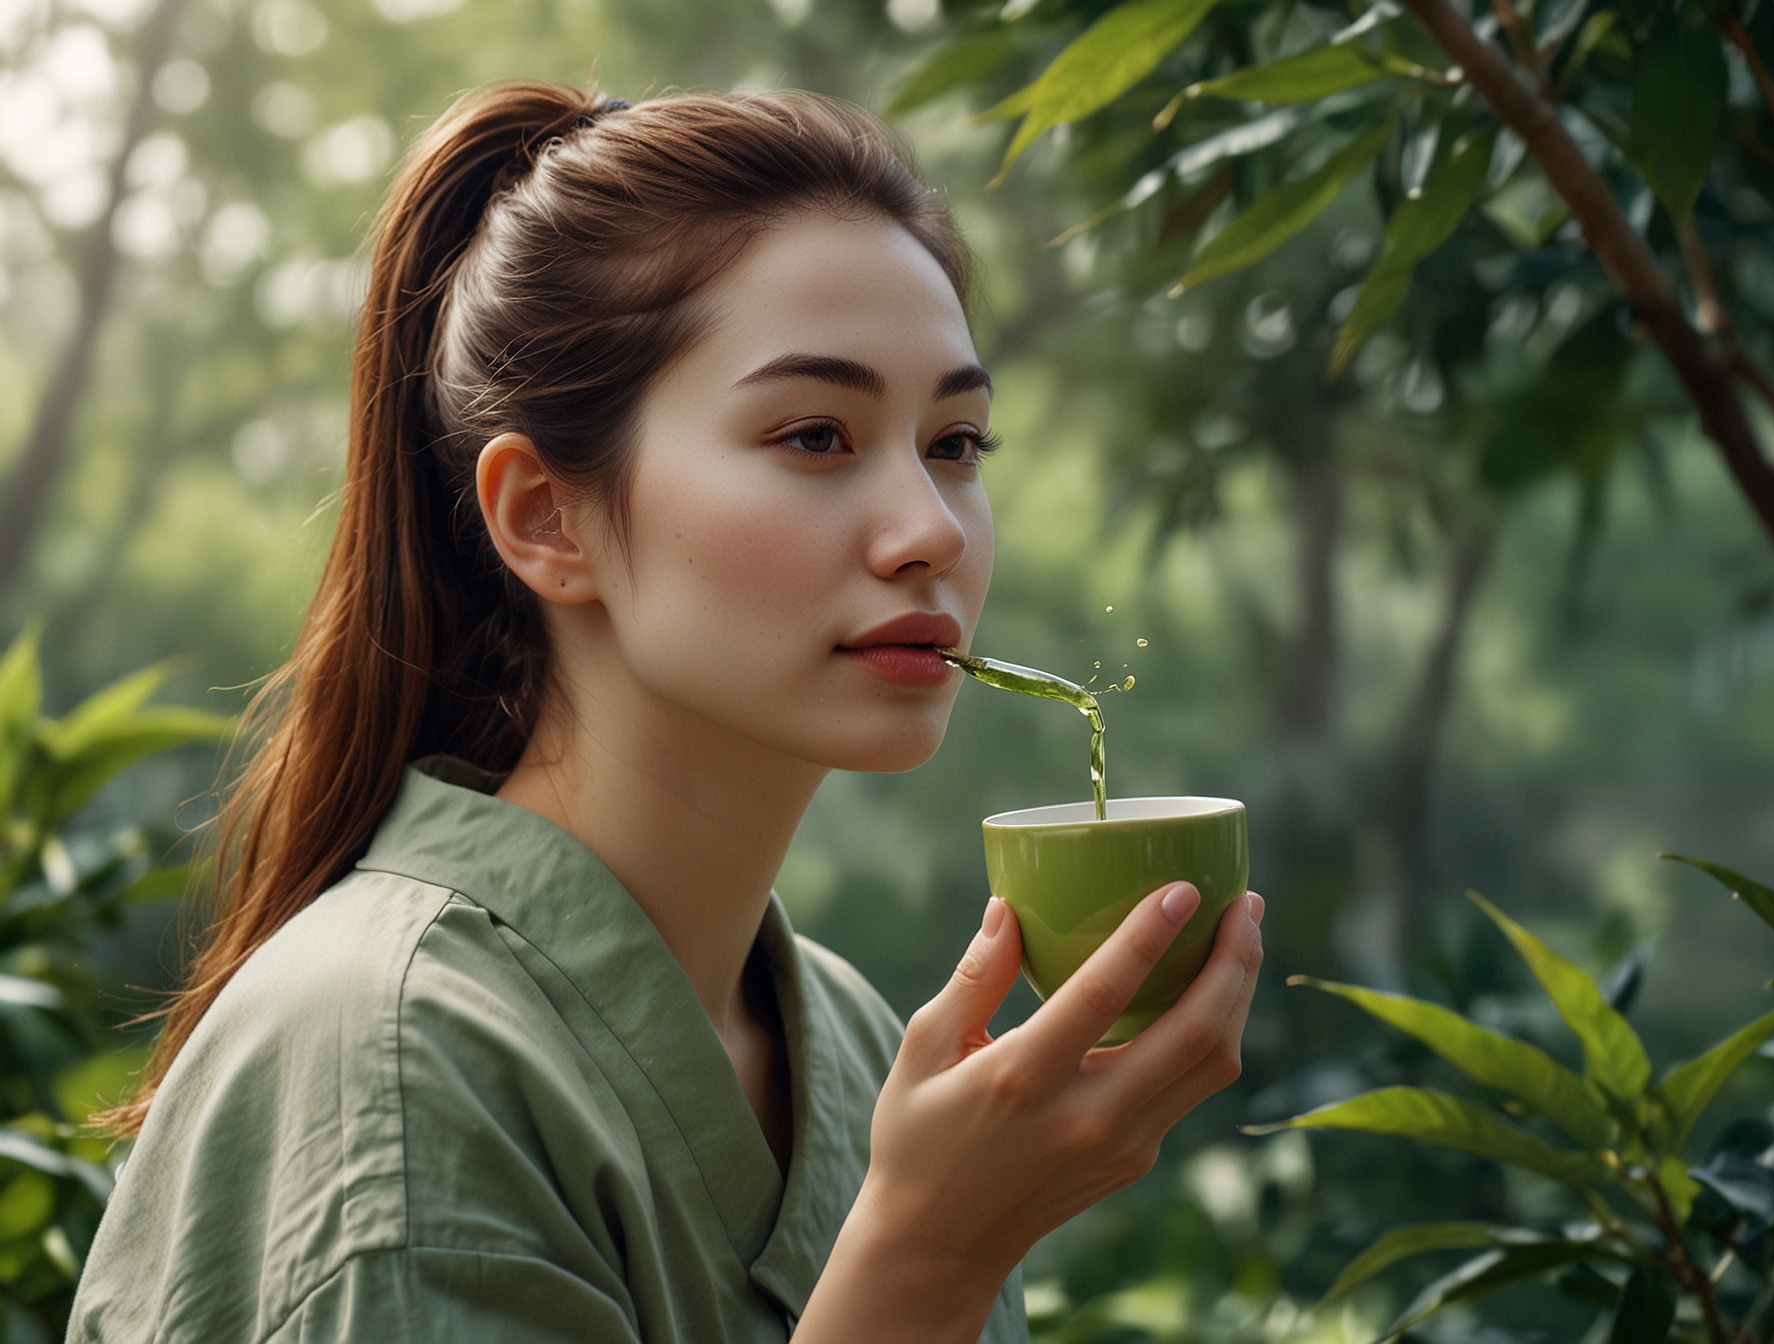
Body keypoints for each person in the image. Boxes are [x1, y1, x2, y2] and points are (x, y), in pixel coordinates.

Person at [68, 80, 1264, 1342]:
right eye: (814, 435)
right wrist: (928, 1251)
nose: (928, 532)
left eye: (956, 443)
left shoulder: (855, 1044)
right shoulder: (396, 1057)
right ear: (545, 516)